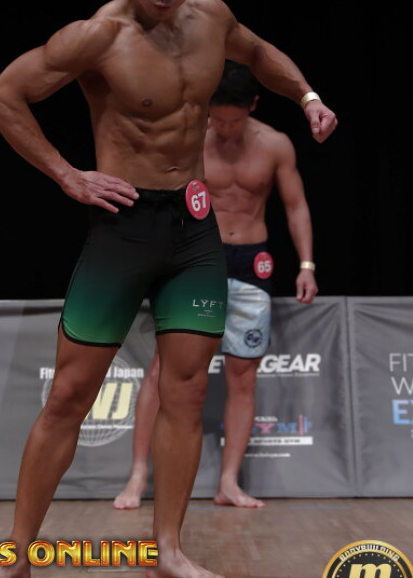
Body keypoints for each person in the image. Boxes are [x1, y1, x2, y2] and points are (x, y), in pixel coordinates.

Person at [0, 0, 337, 578]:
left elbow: (260, 53)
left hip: (194, 231)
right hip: (124, 230)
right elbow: (1, 96)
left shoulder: (213, 18)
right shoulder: (97, 36)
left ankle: (169, 550)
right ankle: (15, 555)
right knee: (69, 397)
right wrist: (66, 174)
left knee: (187, 392)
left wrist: (308, 97)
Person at [113, 60, 317, 511]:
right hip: (195, 258)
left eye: (234, 121)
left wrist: (306, 264)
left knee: (243, 376)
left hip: (251, 263)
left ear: (253, 106)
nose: (225, 129)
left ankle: (228, 482)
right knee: (163, 369)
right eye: (218, 119)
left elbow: (296, 205)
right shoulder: (190, 141)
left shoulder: (276, 145)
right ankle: (138, 475)